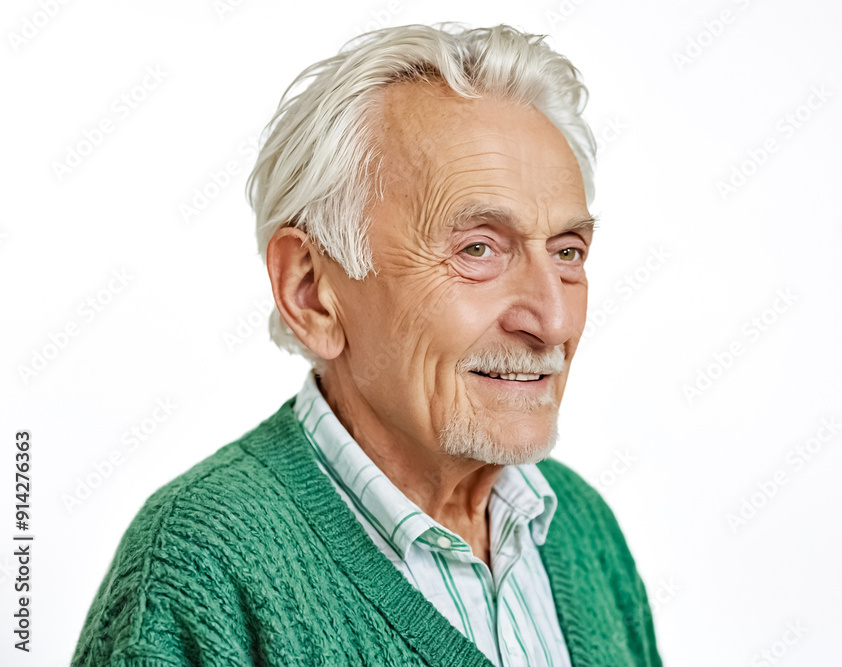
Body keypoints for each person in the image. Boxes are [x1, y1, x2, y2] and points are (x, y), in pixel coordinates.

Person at [73, 23, 662, 666]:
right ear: (311, 291)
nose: (551, 321)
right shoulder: (200, 565)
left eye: (567, 252)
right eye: (477, 249)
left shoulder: (582, 528)